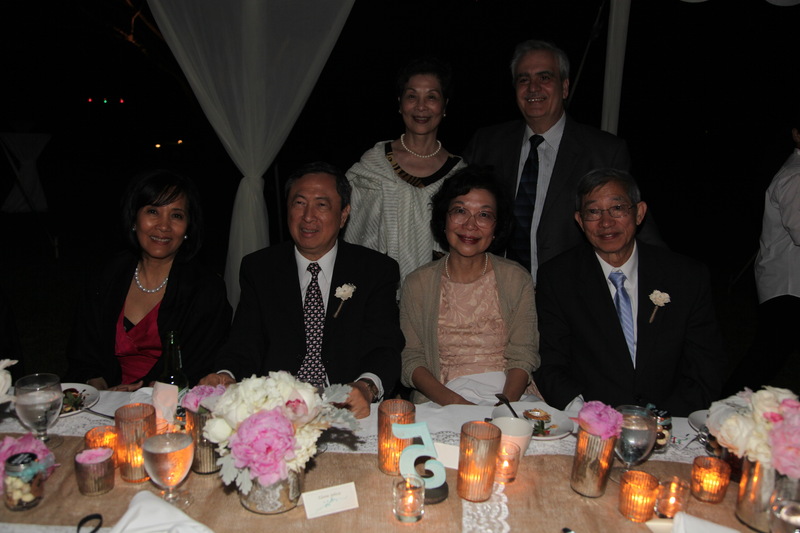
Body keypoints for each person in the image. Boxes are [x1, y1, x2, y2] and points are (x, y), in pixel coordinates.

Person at [200, 162, 404, 419]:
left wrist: (366, 386)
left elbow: (384, 346)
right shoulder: (260, 268)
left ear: (343, 214)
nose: (308, 216)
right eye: (299, 203)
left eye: (321, 205)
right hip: (276, 409)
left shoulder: (374, 270)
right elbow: (244, 341)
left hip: (346, 405)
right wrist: (225, 375)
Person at [463, 39, 662, 279]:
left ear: (565, 87)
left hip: (571, 291)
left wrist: (671, 279)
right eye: (524, 79)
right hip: (493, 287)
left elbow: (635, 227)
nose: (533, 87)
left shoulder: (604, 152)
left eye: (544, 77)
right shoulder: (487, 143)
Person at [533, 169, 725, 416]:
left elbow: (706, 365)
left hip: (671, 419)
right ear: (580, 220)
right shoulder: (559, 277)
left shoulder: (684, 276)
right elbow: (549, 361)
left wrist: (660, 419)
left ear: (639, 212)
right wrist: (588, 413)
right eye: (593, 212)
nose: (606, 222)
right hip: (591, 417)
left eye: (617, 208)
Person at [65, 170, 232, 390]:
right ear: (134, 218)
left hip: (169, 400)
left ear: (188, 228)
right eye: (153, 211)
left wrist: (143, 393)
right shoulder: (105, 275)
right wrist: (99, 388)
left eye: (176, 215)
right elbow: (83, 353)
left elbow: (200, 366)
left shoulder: (205, 290)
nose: (163, 226)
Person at [400, 166, 539, 405]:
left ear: (496, 227)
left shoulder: (516, 279)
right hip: (441, 400)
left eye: (484, 215)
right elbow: (411, 358)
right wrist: (458, 406)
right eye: (460, 211)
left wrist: (502, 409)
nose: (470, 225)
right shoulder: (417, 283)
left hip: (510, 397)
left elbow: (523, 354)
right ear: (444, 219)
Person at [345, 58, 466, 281]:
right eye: (412, 96)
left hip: (440, 289)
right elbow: (353, 229)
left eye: (431, 97)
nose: (421, 106)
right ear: (400, 103)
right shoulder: (373, 164)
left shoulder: (458, 175)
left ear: (444, 106)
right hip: (377, 287)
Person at [723, 126, 800, 395]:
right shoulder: (796, 175)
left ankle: (726, 407)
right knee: (764, 360)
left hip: (787, 285)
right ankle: (724, 409)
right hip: (787, 285)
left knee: (766, 358)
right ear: (796, 134)